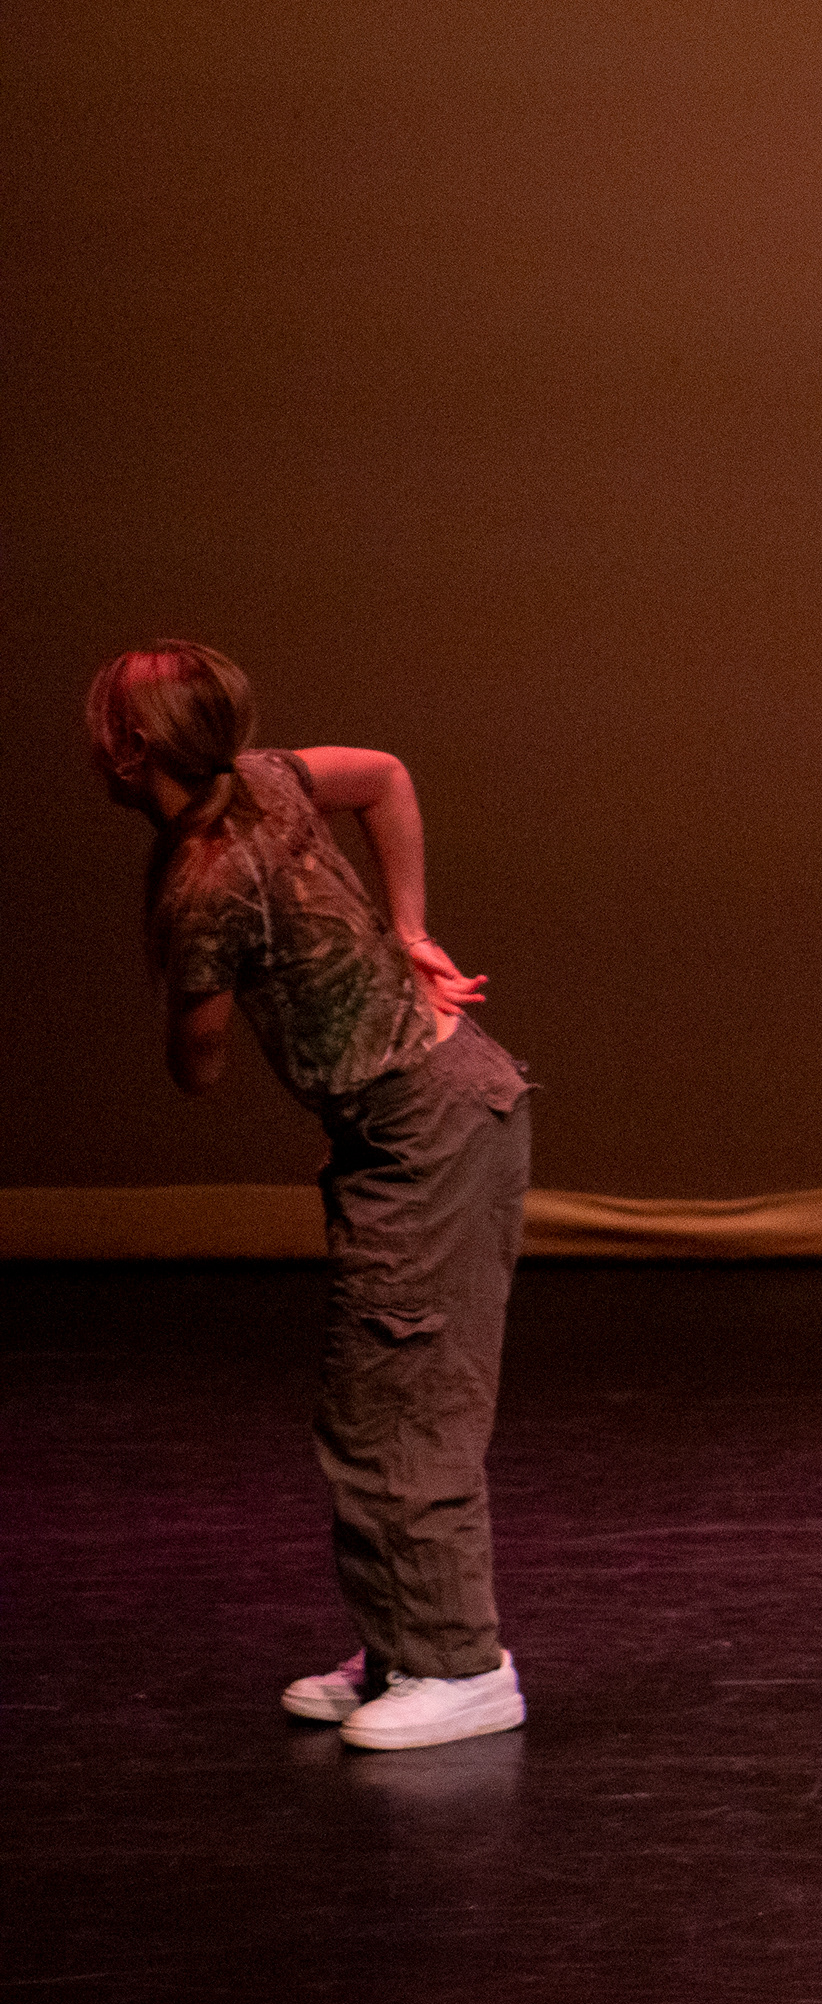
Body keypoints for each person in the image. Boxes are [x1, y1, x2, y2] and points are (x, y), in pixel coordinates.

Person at [85, 642, 535, 1751]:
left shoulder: (205, 882)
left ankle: (459, 1669)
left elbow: (198, 1069)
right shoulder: (269, 781)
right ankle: (400, 1648)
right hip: (418, 1120)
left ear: (134, 751)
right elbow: (383, 776)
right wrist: (404, 928)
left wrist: (201, 990)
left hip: (428, 1129)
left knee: (402, 1403)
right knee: (370, 1399)